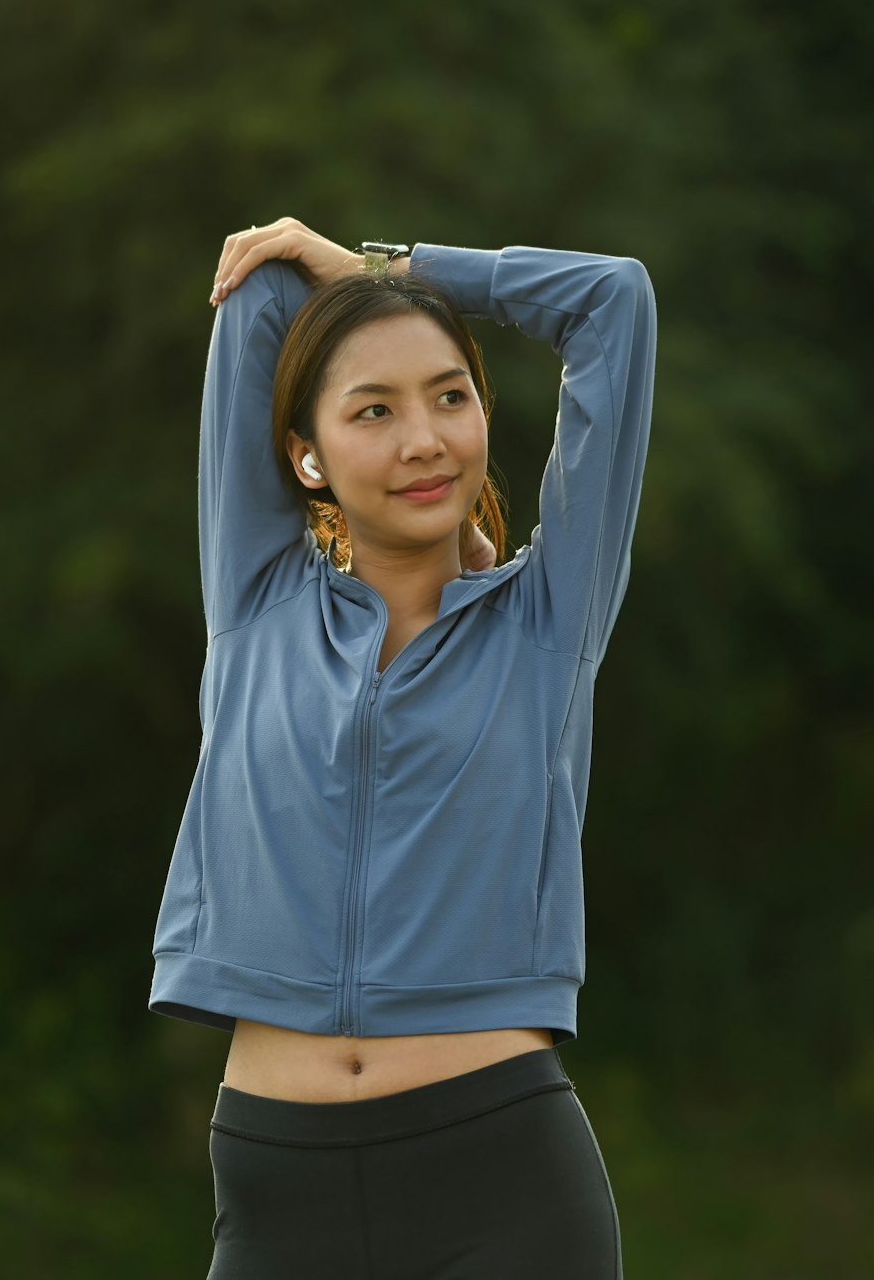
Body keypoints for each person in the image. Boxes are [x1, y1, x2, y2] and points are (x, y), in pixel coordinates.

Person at [152, 217, 656, 1278]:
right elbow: (253, 294)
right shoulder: (252, 598)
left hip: (504, 1182)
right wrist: (312, 272)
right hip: (276, 1183)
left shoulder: (545, 623)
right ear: (305, 454)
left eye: (449, 395)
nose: (423, 440)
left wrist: (383, 269)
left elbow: (614, 302)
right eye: (372, 411)